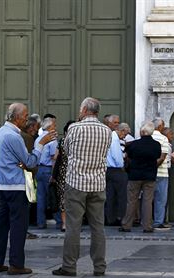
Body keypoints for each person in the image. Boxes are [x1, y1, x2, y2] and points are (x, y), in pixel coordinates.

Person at [0, 103, 56, 275]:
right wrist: (41, 144)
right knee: (18, 225)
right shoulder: (13, 137)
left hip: (2, 184)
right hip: (15, 185)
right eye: (25, 115)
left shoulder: (0, 133)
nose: (27, 118)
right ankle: (16, 264)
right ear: (16, 118)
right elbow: (30, 162)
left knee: (1, 224)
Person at [52, 97, 111, 277]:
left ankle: (69, 266)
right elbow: (105, 152)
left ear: (84, 109)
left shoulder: (75, 128)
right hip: (98, 183)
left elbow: (67, 151)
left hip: (76, 182)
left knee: (73, 227)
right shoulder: (107, 130)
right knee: (98, 227)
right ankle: (99, 267)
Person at [120, 121, 161, 234]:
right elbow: (157, 157)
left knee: (131, 201)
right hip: (150, 175)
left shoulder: (134, 144)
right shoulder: (156, 145)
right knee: (147, 201)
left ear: (142, 131)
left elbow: (128, 157)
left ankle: (127, 225)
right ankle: (147, 226)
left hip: (135, 175)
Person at [35, 116, 58, 229]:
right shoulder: (51, 140)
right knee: (54, 196)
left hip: (39, 169)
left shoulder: (38, 139)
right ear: (49, 127)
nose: (55, 127)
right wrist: (54, 174)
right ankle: (60, 221)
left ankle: (40, 222)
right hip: (48, 170)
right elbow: (54, 158)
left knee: (41, 198)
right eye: (54, 125)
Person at [51, 120, 75, 232]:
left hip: (62, 174)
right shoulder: (77, 141)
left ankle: (65, 224)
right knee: (74, 199)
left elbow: (56, 158)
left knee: (63, 199)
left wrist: (53, 174)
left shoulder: (62, 141)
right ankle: (72, 224)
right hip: (75, 173)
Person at [105, 120, 128, 227]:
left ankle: (110, 218)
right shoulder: (114, 140)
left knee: (110, 195)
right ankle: (120, 218)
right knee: (121, 195)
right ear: (122, 131)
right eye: (125, 133)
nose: (125, 136)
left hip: (107, 170)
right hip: (116, 170)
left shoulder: (109, 136)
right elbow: (117, 157)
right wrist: (122, 165)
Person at [151, 118, 171, 231]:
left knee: (148, 199)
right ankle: (158, 222)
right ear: (160, 126)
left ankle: (147, 221)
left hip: (148, 173)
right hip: (162, 173)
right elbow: (163, 158)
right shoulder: (163, 138)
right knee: (160, 199)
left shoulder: (145, 136)